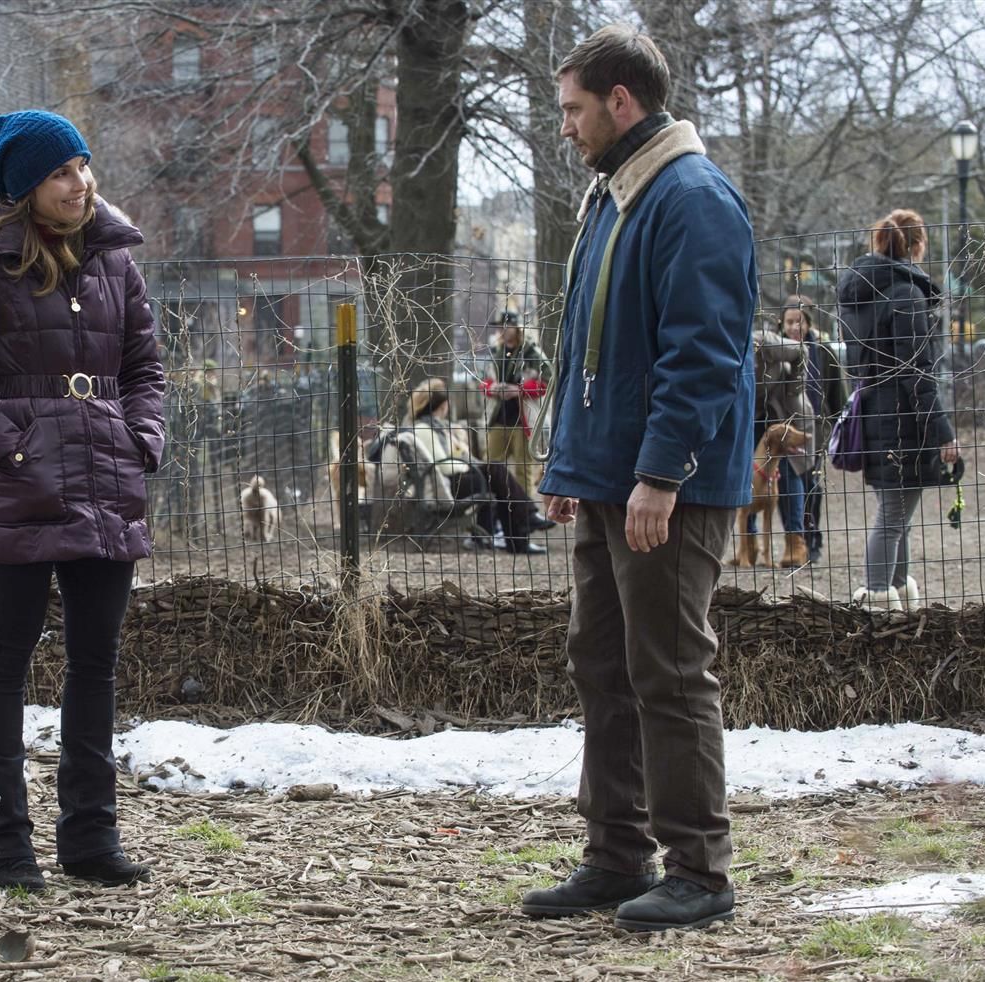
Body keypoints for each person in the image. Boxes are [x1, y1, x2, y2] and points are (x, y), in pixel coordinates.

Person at [523, 25, 756, 932]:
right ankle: (616, 857)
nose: (567, 129)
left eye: (574, 110)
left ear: (622, 101)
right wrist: (568, 463)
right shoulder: (617, 195)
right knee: (603, 666)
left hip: (668, 491)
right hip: (607, 482)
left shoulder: (690, 198)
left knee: (667, 672)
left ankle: (699, 870)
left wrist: (659, 474)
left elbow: (703, 357)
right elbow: (592, 345)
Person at [0, 110, 165, 893]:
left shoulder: (114, 262)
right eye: (62, 172)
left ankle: (91, 843)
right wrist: (14, 452)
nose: (81, 183)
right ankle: (10, 846)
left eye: (83, 166)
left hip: (108, 483)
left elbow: (144, 368)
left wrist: (142, 439)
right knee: (8, 662)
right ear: (25, 188)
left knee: (95, 666)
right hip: (23, 490)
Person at [837, 209, 957, 610]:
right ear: (917, 244)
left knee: (897, 517)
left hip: (873, 416)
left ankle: (896, 595)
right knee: (892, 518)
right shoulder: (906, 294)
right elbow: (918, 372)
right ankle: (877, 601)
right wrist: (943, 432)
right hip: (903, 421)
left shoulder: (858, 296)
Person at [406, 377, 546, 554]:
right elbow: (444, 467)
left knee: (498, 479)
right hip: (447, 484)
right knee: (495, 471)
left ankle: (520, 536)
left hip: (454, 480)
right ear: (442, 406)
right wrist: (466, 462)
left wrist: (460, 451)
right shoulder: (424, 429)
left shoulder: (438, 428)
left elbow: (452, 457)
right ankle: (525, 523)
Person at [779, 296, 846, 563]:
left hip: (815, 431)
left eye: (800, 321)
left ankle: (813, 537)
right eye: (790, 322)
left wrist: (841, 426)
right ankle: (794, 540)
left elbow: (837, 395)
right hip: (782, 433)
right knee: (786, 486)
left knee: (811, 487)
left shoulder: (823, 351)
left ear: (808, 322)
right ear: (781, 323)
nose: (795, 327)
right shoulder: (774, 350)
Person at [752, 323, 814, 567]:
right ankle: (748, 545)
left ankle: (794, 543)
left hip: (784, 410)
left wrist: (792, 389)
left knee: (788, 471)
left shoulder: (765, 343)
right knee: (744, 476)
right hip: (753, 415)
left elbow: (802, 351)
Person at [481, 311, 551, 497]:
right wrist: (493, 388)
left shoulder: (532, 353)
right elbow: (483, 381)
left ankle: (525, 514)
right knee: (490, 467)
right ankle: (493, 510)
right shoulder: (496, 352)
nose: (502, 330)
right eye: (499, 326)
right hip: (498, 418)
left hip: (524, 421)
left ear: (516, 327)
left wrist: (518, 390)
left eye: (506, 326)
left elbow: (547, 382)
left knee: (523, 472)